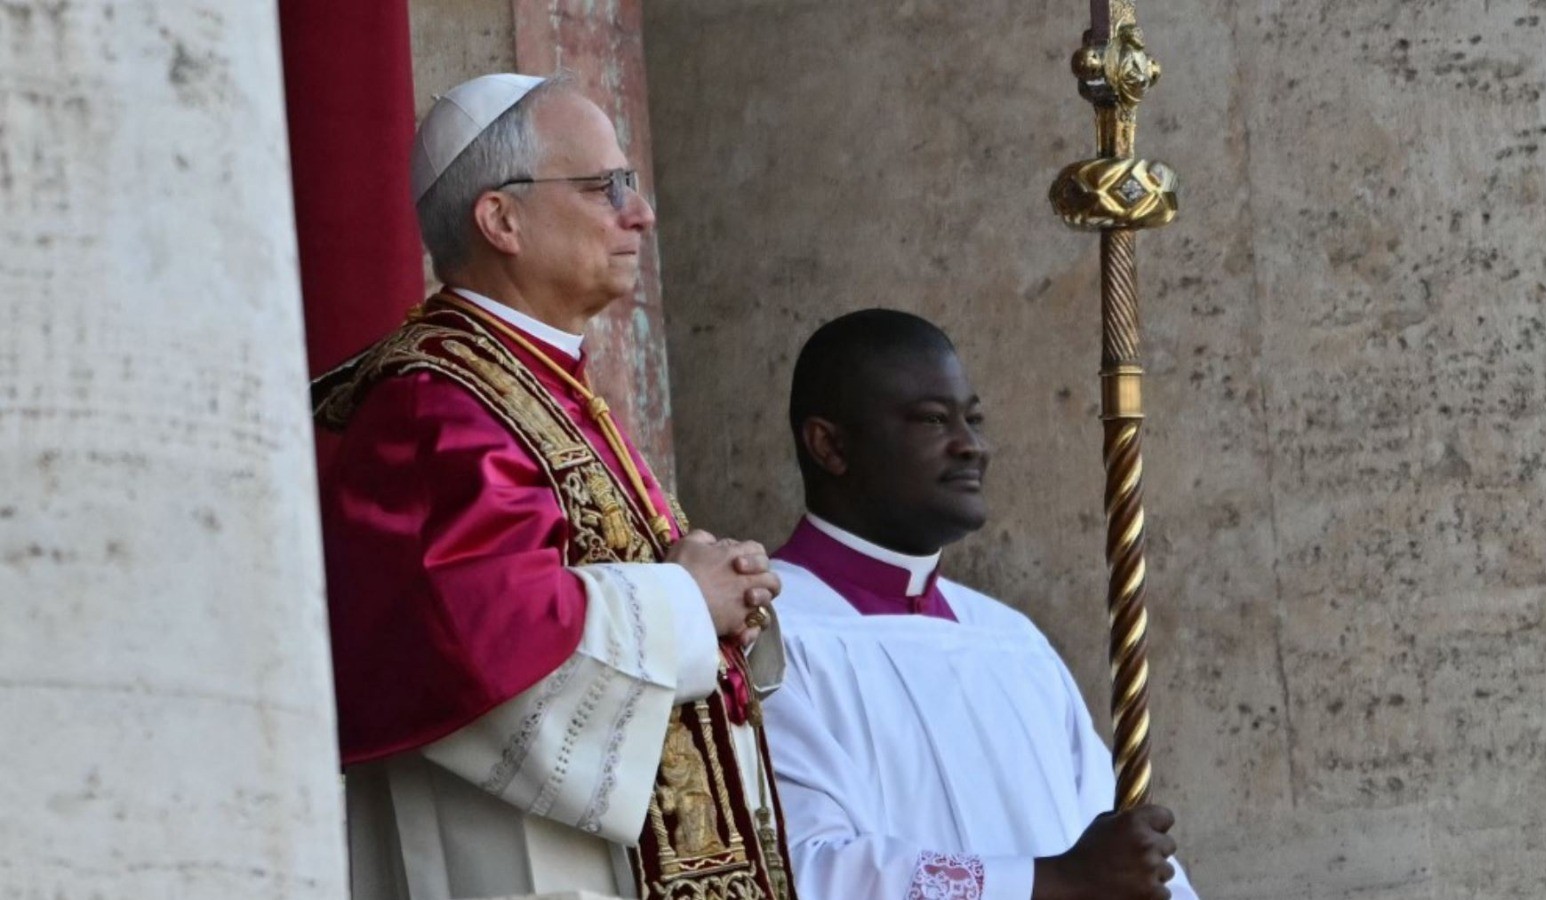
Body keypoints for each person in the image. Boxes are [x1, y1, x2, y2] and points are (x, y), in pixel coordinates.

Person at [313, 72, 794, 900]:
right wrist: (684, 604)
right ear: (501, 218)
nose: (639, 212)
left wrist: (724, 604)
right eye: (605, 187)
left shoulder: (545, 387)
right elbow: (473, 635)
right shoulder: (437, 404)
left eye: (631, 186)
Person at [761, 309, 1200, 900]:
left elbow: (1118, 857)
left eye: (973, 418)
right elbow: (803, 870)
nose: (972, 446)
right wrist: (1052, 881)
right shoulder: (766, 637)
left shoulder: (1011, 641)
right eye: (933, 420)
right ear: (830, 445)